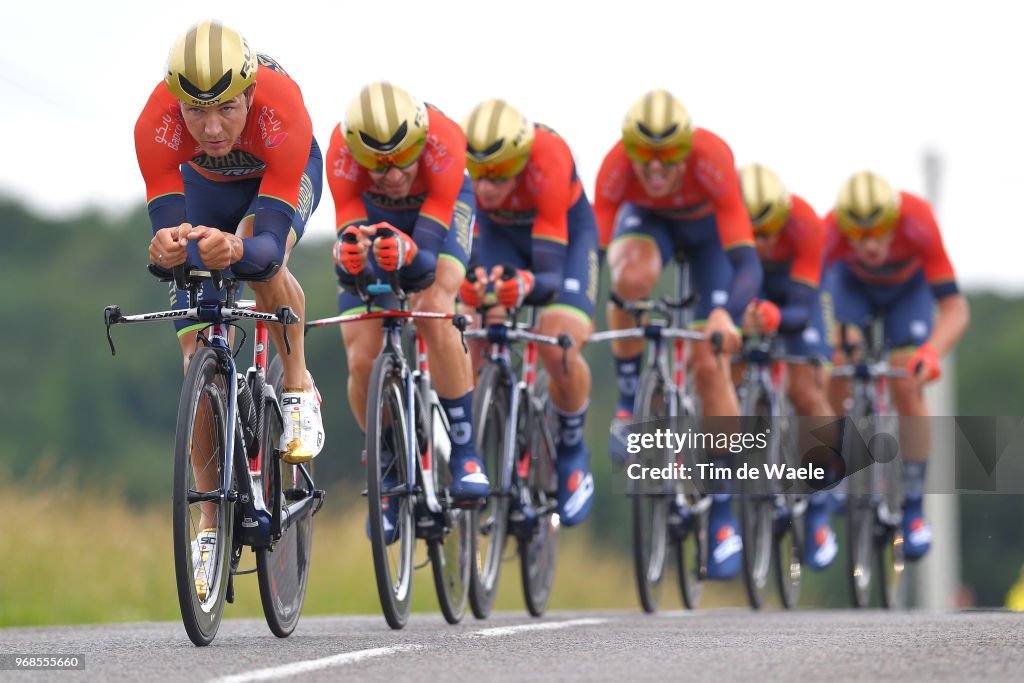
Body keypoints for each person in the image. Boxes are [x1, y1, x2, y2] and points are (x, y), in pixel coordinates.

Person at [135, 20, 325, 599]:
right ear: (177, 104)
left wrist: (239, 248)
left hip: (274, 185)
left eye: (226, 109)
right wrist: (167, 248)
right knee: (192, 337)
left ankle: (296, 388)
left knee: (265, 271)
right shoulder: (154, 126)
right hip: (203, 191)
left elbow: (264, 247)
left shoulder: (282, 109)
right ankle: (210, 520)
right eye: (196, 113)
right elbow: (169, 234)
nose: (212, 128)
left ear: (249, 93)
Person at [594, 89, 762, 578]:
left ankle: (724, 515)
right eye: (645, 157)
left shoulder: (712, 160)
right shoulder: (616, 168)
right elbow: (592, 250)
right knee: (626, 278)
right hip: (648, 225)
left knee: (710, 362)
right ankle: (630, 402)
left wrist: (725, 315)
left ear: (685, 149)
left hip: (709, 238)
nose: (656, 168)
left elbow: (746, 263)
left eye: (668, 157)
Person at [326, 82, 487, 540]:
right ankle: (386, 462)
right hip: (376, 221)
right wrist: (353, 259)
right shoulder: (341, 155)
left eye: (404, 157)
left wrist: (406, 253)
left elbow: (428, 261)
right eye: (378, 165)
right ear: (357, 154)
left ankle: (464, 448)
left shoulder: (446, 142)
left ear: (421, 141)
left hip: (440, 214)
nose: (394, 174)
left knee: (434, 303)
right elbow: (352, 242)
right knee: (361, 354)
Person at [458, 99, 599, 526]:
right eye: (477, 173)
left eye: (498, 174)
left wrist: (522, 285)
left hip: (564, 244)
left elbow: (549, 277)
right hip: (500, 236)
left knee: (560, 345)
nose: (485, 186)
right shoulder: (480, 185)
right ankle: (482, 427)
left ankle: (572, 449)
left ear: (520, 161)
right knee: (471, 328)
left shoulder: (548, 159)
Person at [824, 170, 969, 560]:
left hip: (909, 291)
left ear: (895, 219)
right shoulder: (830, 230)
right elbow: (809, 294)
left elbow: (955, 308)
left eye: (880, 231)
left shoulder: (918, 219)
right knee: (838, 360)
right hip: (851, 288)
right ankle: (839, 456)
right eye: (860, 235)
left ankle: (915, 506)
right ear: (844, 228)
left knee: (906, 378)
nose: (871, 244)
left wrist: (931, 353)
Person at [736, 163, 837, 570]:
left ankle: (820, 504)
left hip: (799, 296)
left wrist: (775, 318)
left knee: (805, 388)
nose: (761, 241)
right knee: (723, 360)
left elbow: (801, 309)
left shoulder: (805, 223)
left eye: (768, 232)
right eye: (752, 234)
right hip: (752, 286)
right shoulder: (730, 229)